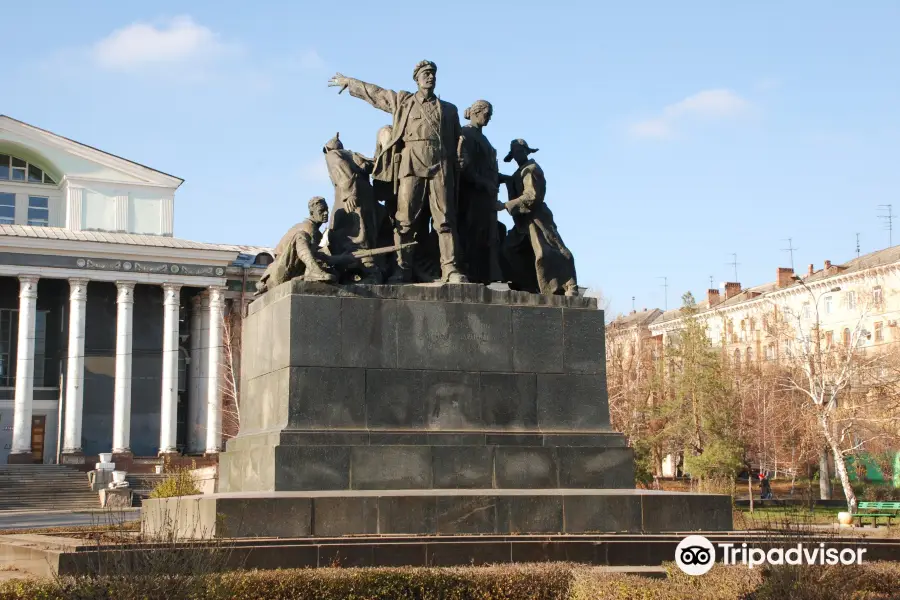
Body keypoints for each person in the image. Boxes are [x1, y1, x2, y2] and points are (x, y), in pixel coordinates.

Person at [327, 60, 468, 283]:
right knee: (404, 220)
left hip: (440, 167)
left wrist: (462, 157)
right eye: (425, 74)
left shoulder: (449, 110)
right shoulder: (404, 101)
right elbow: (378, 94)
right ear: (417, 79)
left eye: (432, 74)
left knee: (445, 220)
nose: (429, 77)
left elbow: (458, 140)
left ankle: (450, 268)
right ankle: (403, 268)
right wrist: (351, 83)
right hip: (411, 164)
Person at [497, 139, 578, 296]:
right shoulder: (520, 171)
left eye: (520, 152)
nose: (517, 156)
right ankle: (527, 283)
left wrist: (505, 205)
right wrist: (500, 177)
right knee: (509, 249)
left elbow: (531, 195)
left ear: (527, 152)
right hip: (523, 222)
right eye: (514, 153)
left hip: (537, 218)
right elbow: (513, 179)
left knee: (551, 250)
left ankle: (570, 285)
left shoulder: (531, 169)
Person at [322, 133, 381, 283]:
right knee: (365, 231)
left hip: (349, 193)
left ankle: (364, 271)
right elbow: (369, 166)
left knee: (346, 233)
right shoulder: (355, 155)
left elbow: (340, 166)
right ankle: (368, 270)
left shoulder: (332, 154)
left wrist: (349, 194)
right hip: (367, 194)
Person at [458, 100, 502, 284]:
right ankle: (469, 274)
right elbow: (463, 166)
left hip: (486, 197)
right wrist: (483, 182)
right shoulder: (466, 134)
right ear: (476, 112)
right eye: (487, 113)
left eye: (490, 114)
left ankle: (484, 276)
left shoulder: (481, 137)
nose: (489, 118)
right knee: (471, 236)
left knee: (486, 237)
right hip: (471, 196)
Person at [256, 197, 337, 294]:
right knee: (300, 235)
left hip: (288, 273)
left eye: (327, 210)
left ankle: (311, 273)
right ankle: (313, 271)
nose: (326, 213)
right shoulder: (307, 227)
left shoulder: (315, 231)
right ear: (312, 213)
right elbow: (279, 256)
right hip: (279, 273)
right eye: (321, 210)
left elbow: (317, 255)